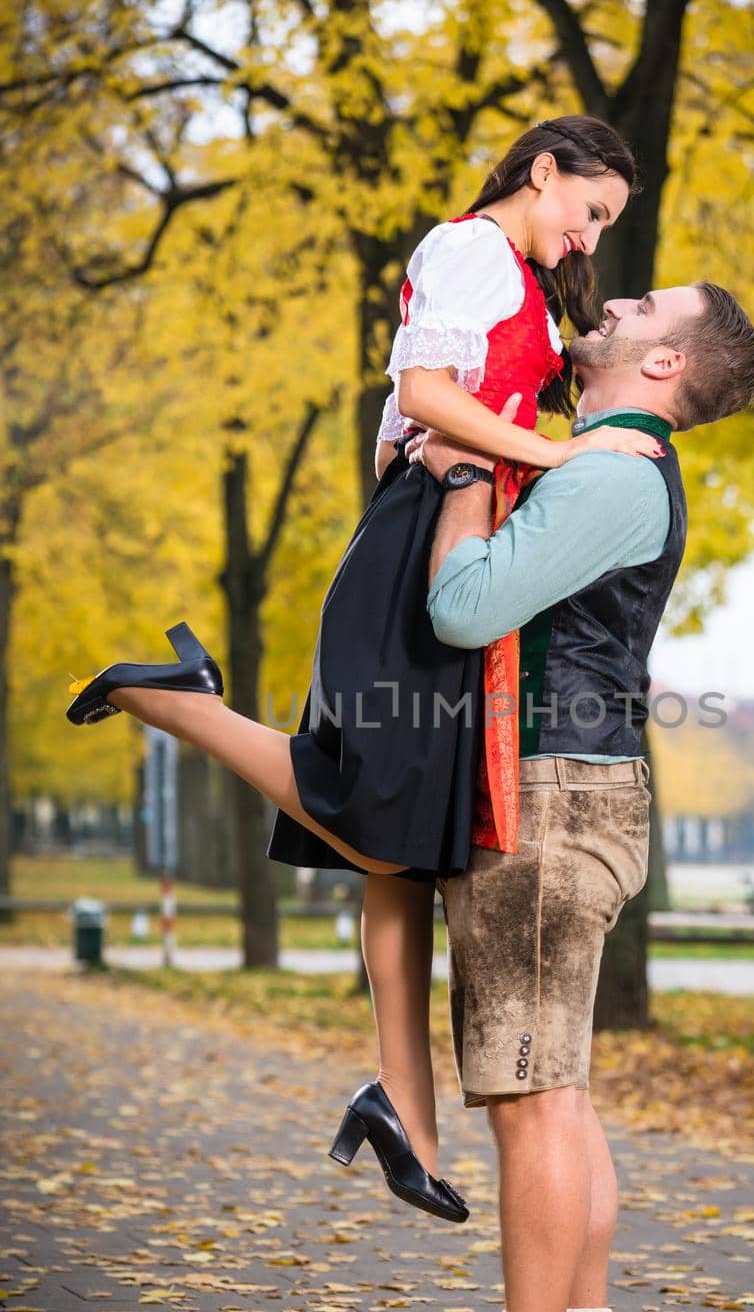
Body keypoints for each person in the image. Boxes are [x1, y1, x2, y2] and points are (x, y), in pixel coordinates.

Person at [64, 116, 663, 1224]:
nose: (587, 237)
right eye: (588, 210)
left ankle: (406, 1115)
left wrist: (462, 458)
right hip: (411, 563)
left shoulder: (526, 285)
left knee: (408, 856)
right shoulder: (470, 249)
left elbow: (416, 426)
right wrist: (550, 449)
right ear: (543, 172)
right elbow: (428, 391)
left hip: (436, 530)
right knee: (381, 815)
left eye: (603, 226)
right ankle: (175, 701)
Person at [372, 280, 754, 1312]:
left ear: (661, 365)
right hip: (570, 786)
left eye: (646, 305)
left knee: (530, 1100)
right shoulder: (599, 463)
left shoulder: (606, 471)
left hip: (542, 796)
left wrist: (451, 485)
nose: (617, 296)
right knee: (563, 1095)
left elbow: (464, 606)